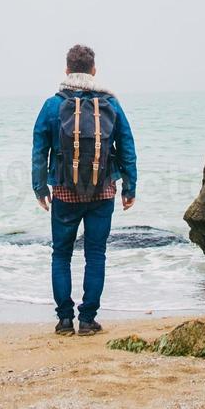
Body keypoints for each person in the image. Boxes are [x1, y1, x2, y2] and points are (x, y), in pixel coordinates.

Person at [32, 44, 137, 336]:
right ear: (94, 71)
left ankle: (65, 320)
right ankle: (88, 320)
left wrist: (40, 187)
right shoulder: (110, 104)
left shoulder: (53, 105)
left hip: (64, 193)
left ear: (67, 70)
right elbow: (126, 146)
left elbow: (39, 149)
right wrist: (130, 186)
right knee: (96, 254)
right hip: (103, 193)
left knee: (61, 255)